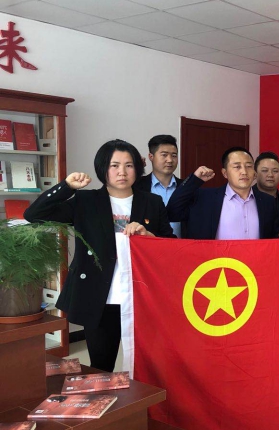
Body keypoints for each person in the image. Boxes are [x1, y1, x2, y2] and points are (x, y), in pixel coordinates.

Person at [24, 140, 174, 372]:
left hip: (141, 297)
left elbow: (171, 245)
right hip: (100, 298)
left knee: (147, 366)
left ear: (137, 168)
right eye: (114, 165)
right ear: (103, 168)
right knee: (101, 366)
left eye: (129, 165)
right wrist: (66, 186)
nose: (122, 172)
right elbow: (34, 214)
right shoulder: (86, 201)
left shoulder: (152, 202)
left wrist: (149, 236)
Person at [167, 147, 279, 242]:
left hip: (254, 266)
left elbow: (273, 237)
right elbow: (173, 212)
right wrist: (194, 180)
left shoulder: (267, 201)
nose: (244, 172)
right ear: (225, 173)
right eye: (237, 167)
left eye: (249, 166)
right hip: (215, 265)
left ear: (254, 172)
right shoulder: (205, 198)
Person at [134, 134, 181, 237]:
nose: (170, 160)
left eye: (174, 155)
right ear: (151, 157)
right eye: (164, 155)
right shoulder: (138, 186)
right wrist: (136, 168)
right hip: (149, 244)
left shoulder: (185, 186)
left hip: (183, 244)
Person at [252, 151, 279, 229]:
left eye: (275, 171)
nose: (270, 175)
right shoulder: (246, 200)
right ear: (255, 174)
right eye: (265, 170)